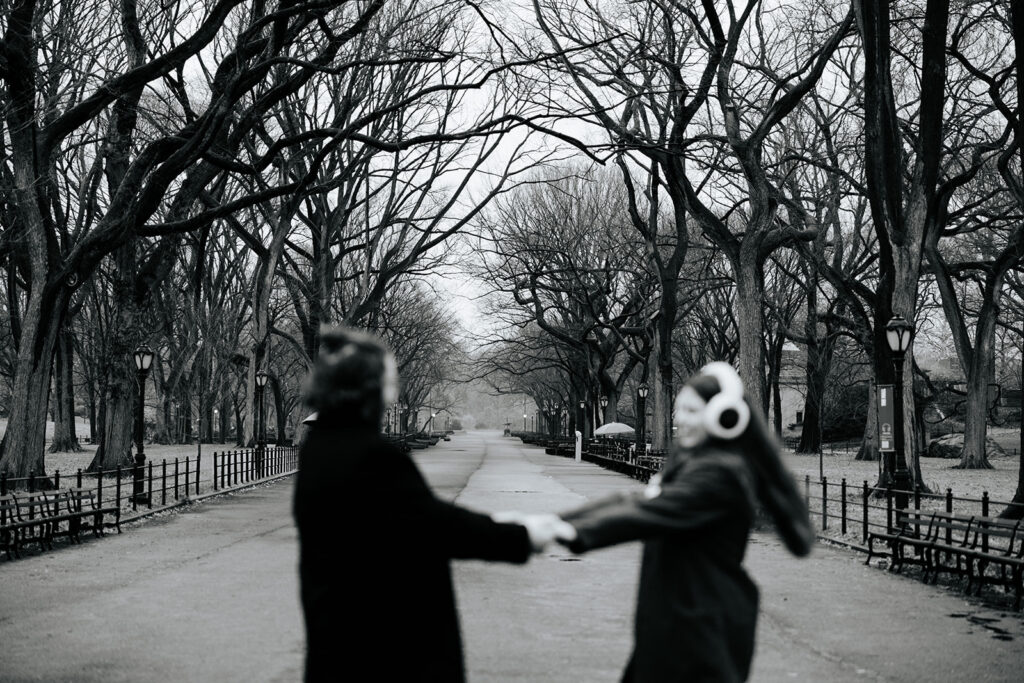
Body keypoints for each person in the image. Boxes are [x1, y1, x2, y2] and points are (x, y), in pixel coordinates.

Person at [293, 325, 568, 682]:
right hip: (388, 650)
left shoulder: (320, 449)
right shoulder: (371, 456)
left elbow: (401, 522)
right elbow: (436, 526)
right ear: (370, 388)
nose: (393, 392)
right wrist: (521, 535)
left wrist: (501, 522)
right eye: (389, 381)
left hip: (338, 641)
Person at [554, 362, 815, 683]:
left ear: (722, 415)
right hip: (676, 626)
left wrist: (566, 531)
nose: (680, 419)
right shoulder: (694, 462)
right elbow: (632, 501)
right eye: (680, 410)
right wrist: (554, 523)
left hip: (700, 635)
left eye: (691, 410)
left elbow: (644, 513)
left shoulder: (719, 474)